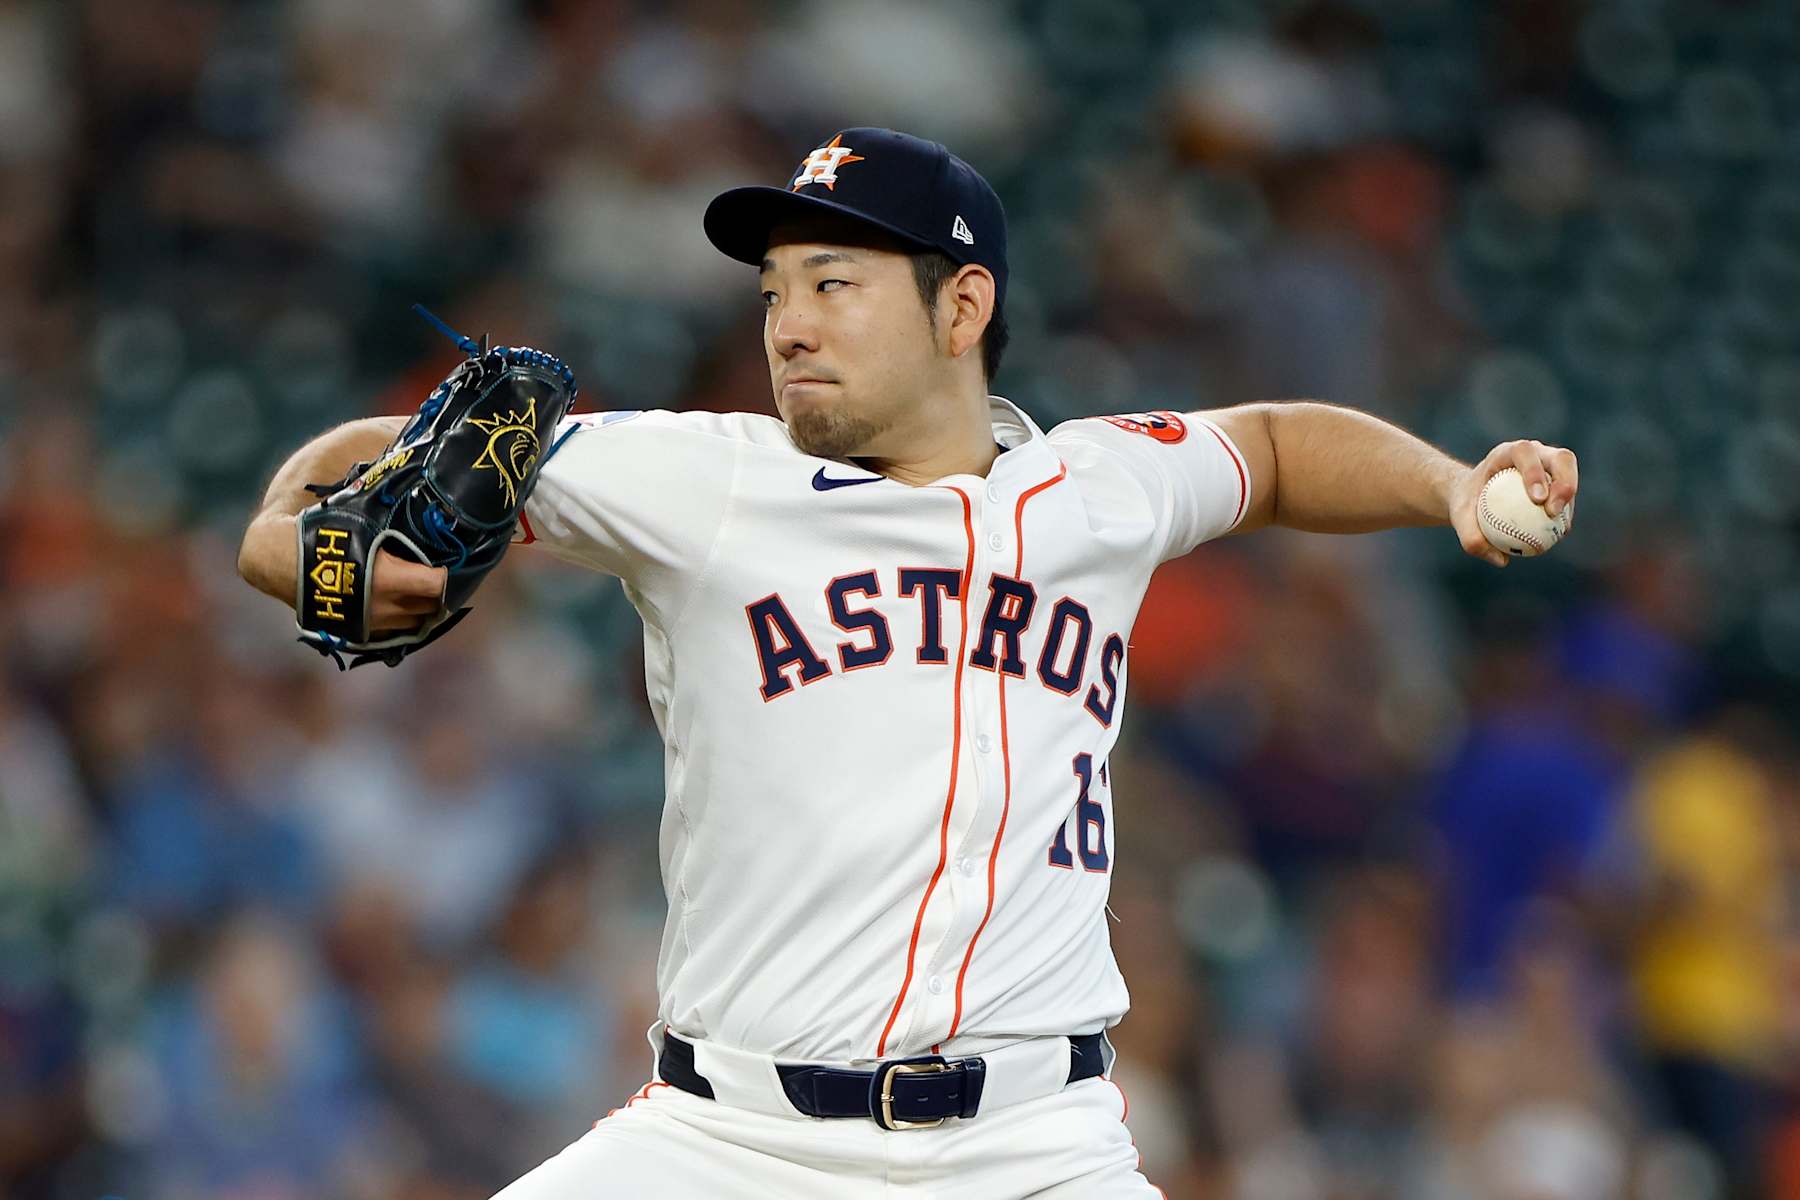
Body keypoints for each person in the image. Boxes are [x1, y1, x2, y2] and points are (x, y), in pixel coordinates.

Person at [238, 127, 1579, 1198]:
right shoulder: (706, 481)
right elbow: (363, 458)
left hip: (1034, 1147)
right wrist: (303, 550)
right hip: (730, 1144)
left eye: (834, 284)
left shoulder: (1098, 487)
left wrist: (1451, 484)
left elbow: (1277, 447)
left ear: (963, 307)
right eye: (775, 293)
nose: (789, 327)